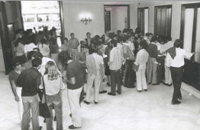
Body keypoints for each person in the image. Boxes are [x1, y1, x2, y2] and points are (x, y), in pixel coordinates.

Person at [16, 56, 42, 130]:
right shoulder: (38, 74)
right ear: (39, 65)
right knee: (34, 114)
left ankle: (24, 128)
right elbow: (37, 87)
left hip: (24, 95)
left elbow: (18, 83)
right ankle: (36, 128)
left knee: (25, 113)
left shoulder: (24, 71)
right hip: (32, 95)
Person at [166, 39, 193, 105]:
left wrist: (170, 66)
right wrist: (191, 54)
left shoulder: (170, 50)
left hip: (172, 68)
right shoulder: (182, 51)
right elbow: (188, 56)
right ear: (180, 44)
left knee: (175, 83)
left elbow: (167, 62)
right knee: (178, 84)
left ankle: (179, 95)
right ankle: (174, 100)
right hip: (179, 69)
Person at [63, 53, 83, 129]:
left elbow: (73, 81)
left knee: (74, 107)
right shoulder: (76, 62)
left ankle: (77, 124)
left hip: (73, 88)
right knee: (77, 104)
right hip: (80, 86)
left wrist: (66, 80)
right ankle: (76, 117)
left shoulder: (69, 67)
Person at [44, 61, 65, 130]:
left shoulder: (44, 77)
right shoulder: (59, 76)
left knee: (48, 117)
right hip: (57, 97)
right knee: (59, 116)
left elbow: (41, 87)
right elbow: (62, 87)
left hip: (48, 98)